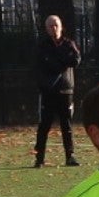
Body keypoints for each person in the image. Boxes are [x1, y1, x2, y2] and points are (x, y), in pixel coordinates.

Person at [34, 13, 83, 168]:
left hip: (65, 90)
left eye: (56, 25)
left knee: (66, 125)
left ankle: (70, 156)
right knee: (44, 126)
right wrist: (61, 62)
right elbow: (44, 64)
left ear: (61, 27)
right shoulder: (43, 46)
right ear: (46, 28)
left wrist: (58, 61)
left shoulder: (68, 44)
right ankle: (39, 158)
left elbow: (75, 60)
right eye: (50, 26)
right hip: (48, 91)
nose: (54, 28)